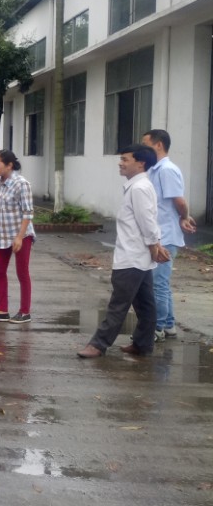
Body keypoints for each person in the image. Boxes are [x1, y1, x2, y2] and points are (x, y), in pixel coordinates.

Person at [78, 145, 170, 358]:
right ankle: (142, 344)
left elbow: (147, 222)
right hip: (138, 257)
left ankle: (98, 344)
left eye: (125, 159)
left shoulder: (139, 188)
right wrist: (155, 246)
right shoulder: (139, 186)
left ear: (141, 163)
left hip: (132, 257)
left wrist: (154, 247)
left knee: (118, 304)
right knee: (146, 305)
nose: (120, 163)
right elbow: (150, 220)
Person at [140, 129, 198, 343]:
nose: (143, 149)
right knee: (161, 282)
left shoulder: (166, 170)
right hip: (161, 233)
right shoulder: (155, 170)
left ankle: (157, 328)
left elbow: (179, 201)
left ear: (159, 145)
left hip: (166, 235)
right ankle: (169, 324)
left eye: (146, 145)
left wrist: (185, 216)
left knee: (158, 284)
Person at [0, 150, 36, 323]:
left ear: (9, 165)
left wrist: (20, 237)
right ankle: (2, 310)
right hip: (4, 234)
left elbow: (28, 213)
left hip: (21, 234)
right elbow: (0, 211)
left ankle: (25, 312)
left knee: (22, 272)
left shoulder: (22, 184)